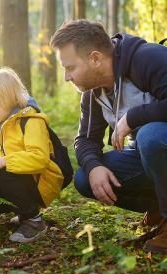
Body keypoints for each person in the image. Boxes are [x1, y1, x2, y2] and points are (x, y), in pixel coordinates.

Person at [50, 19, 167, 254]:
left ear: (95, 58)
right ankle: (160, 208)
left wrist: (133, 117)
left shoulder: (149, 58)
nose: (66, 77)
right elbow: (84, 140)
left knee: (150, 136)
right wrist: (94, 167)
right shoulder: (93, 94)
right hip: (150, 155)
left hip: (156, 142)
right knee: (85, 179)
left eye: (70, 68)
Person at [0, 68, 64, 243]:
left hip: (41, 181)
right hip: (22, 177)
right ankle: (24, 213)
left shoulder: (32, 122)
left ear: (10, 99)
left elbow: (39, 159)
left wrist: (3, 162)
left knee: (2, 171)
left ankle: (33, 220)